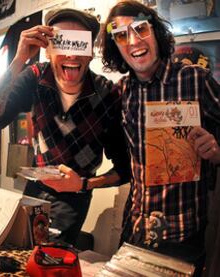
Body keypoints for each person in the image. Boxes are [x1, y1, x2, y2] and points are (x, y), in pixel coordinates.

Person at [0, 8, 131, 245]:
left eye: (78, 44)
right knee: (22, 249)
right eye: (62, 42)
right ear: (48, 49)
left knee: (53, 256)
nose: (71, 55)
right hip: (34, 188)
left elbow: (125, 168)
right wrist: (18, 61)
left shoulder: (108, 94)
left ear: (90, 52)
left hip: (75, 196)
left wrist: (84, 184)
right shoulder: (35, 77)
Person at [100, 0, 220, 274]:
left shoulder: (194, 79)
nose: (132, 41)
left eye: (140, 29)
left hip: (184, 234)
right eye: (120, 35)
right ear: (116, 46)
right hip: (136, 230)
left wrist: (217, 151)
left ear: (155, 33)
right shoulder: (122, 92)